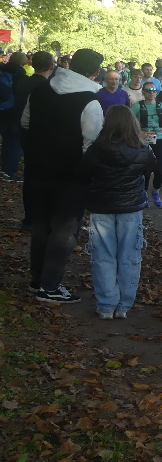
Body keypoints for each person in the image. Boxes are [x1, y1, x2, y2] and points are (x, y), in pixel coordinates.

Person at [22, 48, 105, 303]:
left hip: (36, 169)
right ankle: (49, 286)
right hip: (69, 176)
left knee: (40, 226)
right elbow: (91, 144)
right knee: (64, 232)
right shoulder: (90, 101)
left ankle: (38, 280)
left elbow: (25, 123)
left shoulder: (40, 90)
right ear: (95, 72)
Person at [79, 105, 155, 319]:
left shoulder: (96, 149)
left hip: (102, 206)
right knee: (130, 255)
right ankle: (124, 304)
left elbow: (83, 175)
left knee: (103, 255)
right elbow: (151, 170)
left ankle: (106, 304)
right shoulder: (143, 149)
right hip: (131, 207)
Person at [15, 51, 55, 230]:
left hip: (25, 133)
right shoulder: (48, 88)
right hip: (42, 136)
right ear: (51, 66)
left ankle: (30, 217)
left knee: (30, 176)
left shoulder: (22, 82)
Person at [132, 81, 162, 208]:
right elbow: (131, 122)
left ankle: (156, 191)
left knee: (159, 169)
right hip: (143, 141)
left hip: (158, 139)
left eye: (153, 90)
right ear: (143, 92)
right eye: (148, 90)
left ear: (157, 92)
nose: (151, 93)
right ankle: (144, 195)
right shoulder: (137, 107)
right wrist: (138, 134)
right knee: (145, 170)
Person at [0, 51, 29, 181]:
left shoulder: (3, 70)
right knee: (16, 144)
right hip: (15, 113)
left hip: (3, 111)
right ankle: (10, 172)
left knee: (6, 142)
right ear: (23, 62)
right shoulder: (21, 76)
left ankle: (4, 169)